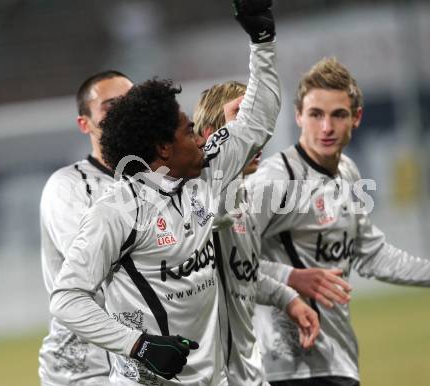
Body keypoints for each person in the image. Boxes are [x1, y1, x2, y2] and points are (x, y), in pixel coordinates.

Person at [49, 1, 281, 384]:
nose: (199, 139)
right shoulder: (118, 211)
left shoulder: (206, 173)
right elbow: (67, 299)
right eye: (189, 131)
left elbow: (259, 118)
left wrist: (262, 40)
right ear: (163, 148)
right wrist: (137, 344)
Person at [249, 57, 430, 386]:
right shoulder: (275, 180)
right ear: (298, 116)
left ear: (356, 117)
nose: (326, 128)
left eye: (338, 115)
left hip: (337, 361)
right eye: (316, 115)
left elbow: (371, 252)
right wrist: (291, 277)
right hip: (285, 367)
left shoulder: (348, 172)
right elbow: (227, 260)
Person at [193, 80, 320, 386]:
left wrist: (288, 298)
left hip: (247, 371)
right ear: (213, 134)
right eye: (241, 119)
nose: (256, 136)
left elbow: (241, 274)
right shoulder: (196, 202)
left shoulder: (246, 198)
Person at [39, 71, 133, 385]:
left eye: (131, 102)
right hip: (85, 368)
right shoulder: (66, 187)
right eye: (110, 106)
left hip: (138, 360)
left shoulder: (159, 181)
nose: (123, 111)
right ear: (85, 124)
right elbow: (102, 263)